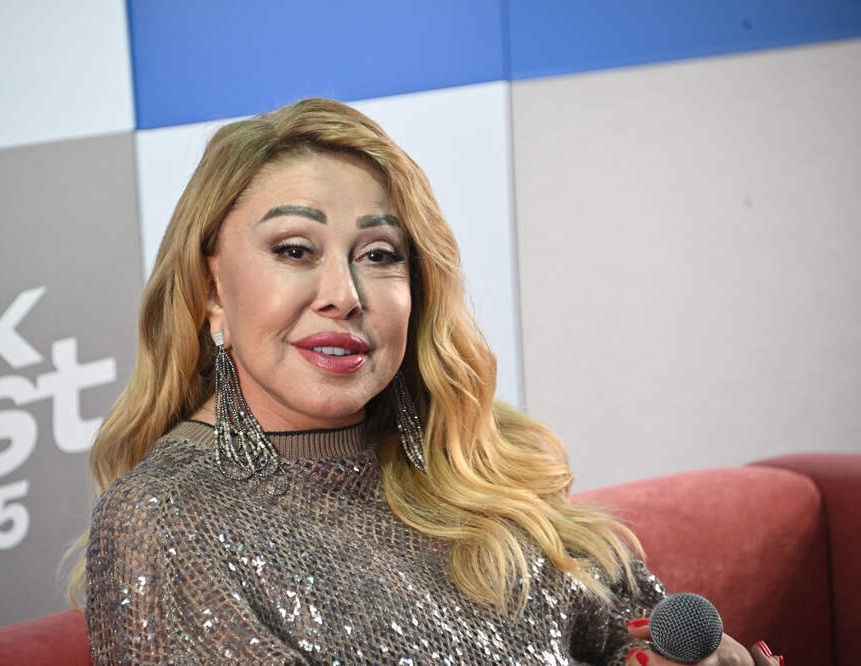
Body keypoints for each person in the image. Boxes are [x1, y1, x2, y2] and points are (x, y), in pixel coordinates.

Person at [67, 98, 777, 665]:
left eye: (379, 254)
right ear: (211, 291)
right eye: (295, 249)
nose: (344, 295)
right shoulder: (165, 519)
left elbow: (623, 629)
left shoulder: (473, 457)